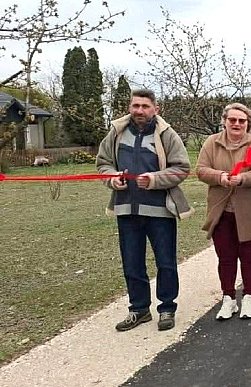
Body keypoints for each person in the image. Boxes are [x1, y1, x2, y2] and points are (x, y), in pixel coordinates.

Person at [96, 88, 193, 332]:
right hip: (126, 209)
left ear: (155, 109)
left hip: (160, 211)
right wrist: (112, 179)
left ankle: (167, 307)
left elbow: (181, 168)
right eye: (136, 105)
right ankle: (139, 310)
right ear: (130, 107)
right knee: (132, 263)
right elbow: (103, 163)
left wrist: (155, 179)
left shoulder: (166, 134)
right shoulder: (117, 132)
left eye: (145, 106)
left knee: (166, 263)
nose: (140, 110)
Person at [197, 103, 251, 320]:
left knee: (248, 256)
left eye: (241, 121)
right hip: (221, 211)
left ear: (248, 123)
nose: (237, 124)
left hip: (247, 211)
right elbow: (201, 169)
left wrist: (243, 179)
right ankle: (228, 298)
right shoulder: (212, 142)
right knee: (225, 257)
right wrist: (219, 177)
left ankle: (249, 297)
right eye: (232, 120)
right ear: (225, 121)